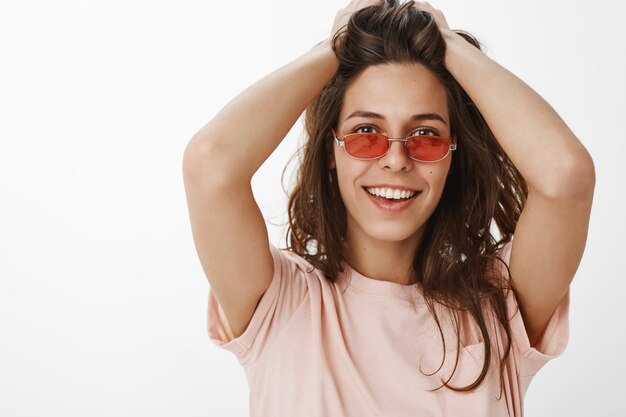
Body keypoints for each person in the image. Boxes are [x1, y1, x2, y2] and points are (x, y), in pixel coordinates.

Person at [182, 0, 595, 415]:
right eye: (366, 132)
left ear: (453, 153)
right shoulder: (279, 303)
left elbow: (565, 177)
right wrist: (336, 47)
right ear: (332, 149)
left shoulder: (499, 308)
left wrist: (447, 43)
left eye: (425, 135)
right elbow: (210, 166)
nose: (396, 159)